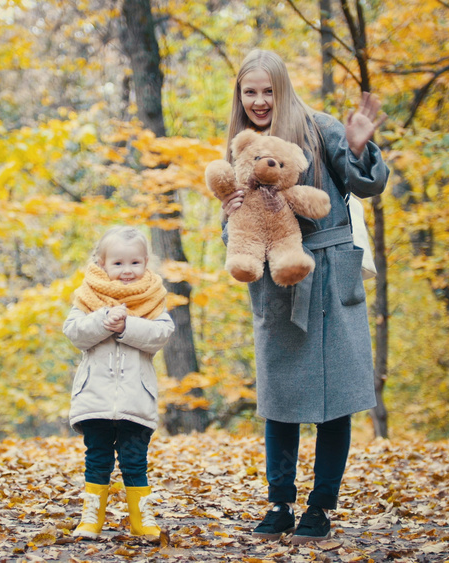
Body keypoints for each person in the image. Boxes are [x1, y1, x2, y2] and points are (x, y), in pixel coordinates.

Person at [217, 49, 389, 544]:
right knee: (281, 398)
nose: (259, 101)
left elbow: (367, 183)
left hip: (331, 275)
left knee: (336, 399)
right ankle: (279, 503)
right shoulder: (240, 145)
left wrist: (358, 148)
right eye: (250, 92)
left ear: (283, 89)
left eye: (268, 90)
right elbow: (239, 232)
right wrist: (228, 216)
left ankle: (320, 507)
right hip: (278, 280)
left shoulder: (322, 128)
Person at [63, 226, 175, 541]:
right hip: (95, 399)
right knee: (97, 458)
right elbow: (74, 333)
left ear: (146, 263)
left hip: (135, 399)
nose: (127, 271)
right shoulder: (87, 297)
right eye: (118, 263)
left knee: (135, 461)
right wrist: (103, 320)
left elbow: (161, 335)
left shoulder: (153, 298)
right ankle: (91, 518)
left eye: (135, 263)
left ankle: (142, 519)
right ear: (102, 263)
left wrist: (128, 325)